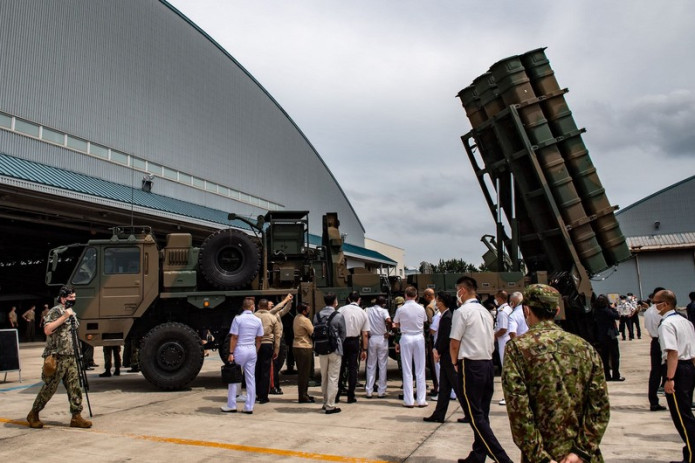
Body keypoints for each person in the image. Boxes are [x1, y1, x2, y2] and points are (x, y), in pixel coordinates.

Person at [502, 284, 610, 463]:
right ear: (557, 310)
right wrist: (580, 453)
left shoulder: (518, 349)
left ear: (526, 311)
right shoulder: (584, 347)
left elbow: (518, 411)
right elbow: (600, 408)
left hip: (541, 454)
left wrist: (541, 457)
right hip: (583, 458)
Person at [449, 276, 512, 463]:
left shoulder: (462, 312)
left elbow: (454, 342)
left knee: (474, 415)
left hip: (471, 365)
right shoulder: (485, 311)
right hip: (486, 365)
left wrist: (454, 363)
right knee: (482, 414)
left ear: (462, 290)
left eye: (457, 290)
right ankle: (477, 456)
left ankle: (502, 459)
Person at [26, 286, 92, 429]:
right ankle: (34, 413)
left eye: (74, 298)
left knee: (75, 387)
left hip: (70, 355)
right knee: (50, 388)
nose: (73, 300)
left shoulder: (71, 313)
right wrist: (64, 317)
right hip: (57, 357)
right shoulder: (55, 311)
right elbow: (47, 330)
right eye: (70, 298)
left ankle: (76, 416)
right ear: (62, 298)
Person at [655, 289, 695, 463]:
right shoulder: (685, 321)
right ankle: (689, 453)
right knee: (686, 414)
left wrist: (669, 379)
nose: (654, 306)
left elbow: (672, 352)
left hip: (676, 370)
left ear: (665, 304)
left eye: (656, 303)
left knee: (682, 417)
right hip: (689, 368)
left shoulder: (666, 325)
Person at [423, 292, 462, 423]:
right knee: (444, 389)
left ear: (443, 302)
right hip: (445, 357)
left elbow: (445, 337)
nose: (436, 303)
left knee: (457, 387)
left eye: (438, 301)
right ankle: (439, 414)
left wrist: (437, 350)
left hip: (447, 357)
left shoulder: (446, 317)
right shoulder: (446, 315)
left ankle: (470, 412)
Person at [222, 297, 264, 414]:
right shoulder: (257, 320)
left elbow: (234, 337)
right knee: (251, 379)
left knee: (234, 377)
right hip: (251, 348)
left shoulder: (238, 319)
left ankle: (231, 405)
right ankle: (249, 407)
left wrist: (231, 353)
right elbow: (259, 338)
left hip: (240, 348)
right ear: (252, 307)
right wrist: (256, 350)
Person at [393, 286, 428, 408]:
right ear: (416, 295)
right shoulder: (421, 308)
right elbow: (424, 320)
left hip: (406, 337)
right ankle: (421, 399)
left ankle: (409, 400)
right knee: (420, 369)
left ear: (405, 296)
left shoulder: (401, 309)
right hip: (419, 337)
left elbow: (396, 323)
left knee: (407, 369)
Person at [314, 292, 346, 414]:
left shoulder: (317, 316)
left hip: (322, 349)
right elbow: (343, 334)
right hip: (335, 349)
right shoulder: (338, 316)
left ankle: (325, 401)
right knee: (333, 377)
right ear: (335, 302)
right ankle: (330, 405)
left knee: (324, 377)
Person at [337, 291, 369, 403]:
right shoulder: (363, 312)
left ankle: (336, 394)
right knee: (353, 369)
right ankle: (351, 396)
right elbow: (365, 333)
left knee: (339, 368)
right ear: (359, 300)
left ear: (349, 299)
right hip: (354, 341)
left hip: (342, 341)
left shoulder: (341, 310)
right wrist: (364, 349)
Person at [254, 298, 283, 404]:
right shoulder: (272, 318)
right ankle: (263, 396)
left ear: (258, 306)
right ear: (267, 307)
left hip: (255, 345)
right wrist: (276, 349)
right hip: (267, 345)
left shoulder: (253, 317)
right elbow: (278, 335)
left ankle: (255, 394)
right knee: (265, 371)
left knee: (256, 369)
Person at [365, 295, 391, 398]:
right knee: (382, 365)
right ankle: (381, 391)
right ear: (383, 303)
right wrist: (388, 331)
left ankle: (369, 391)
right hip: (382, 338)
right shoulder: (384, 311)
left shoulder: (367, 310)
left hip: (372, 338)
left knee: (371, 365)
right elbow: (388, 320)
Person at [645, 287, 667, 412]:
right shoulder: (662, 311)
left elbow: (647, 329)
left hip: (654, 342)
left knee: (655, 373)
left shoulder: (648, 312)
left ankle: (653, 402)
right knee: (668, 372)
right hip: (664, 342)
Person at [594, 294, 624, 382]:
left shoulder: (596, 311)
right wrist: (611, 307)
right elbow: (617, 316)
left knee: (604, 357)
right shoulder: (607, 310)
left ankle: (607, 375)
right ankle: (616, 375)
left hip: (601, 335)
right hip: (610, 335)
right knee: (615, 356)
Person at [268, 293, 293, 395]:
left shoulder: (276, 314)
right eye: (271, 305)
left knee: (276, 365)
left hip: (278, 340)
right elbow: (277, 308)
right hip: (273, 341)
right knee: (272, 366)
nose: (273, 306)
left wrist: (289, 301)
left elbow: (285, 310)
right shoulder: (269, 313)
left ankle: (275, 385)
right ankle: (273, 386)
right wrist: (285, 300)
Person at [292, 302, 315, 403]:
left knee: (302, 372)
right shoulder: (305, 320)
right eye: (308, 310)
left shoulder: (297, 318)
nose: (309, 311)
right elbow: (312, 332)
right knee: (304, 373)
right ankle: (303, 395)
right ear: (304, 311)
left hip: (297, 346)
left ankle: (304, 394)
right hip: (304, 347)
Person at [493, 290, 511, 405]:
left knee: (505, 368)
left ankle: (507, 396)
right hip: (505, 340)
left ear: (499, 298)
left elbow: (503, 329)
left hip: (503, 341)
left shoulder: (503, 312)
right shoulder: (508, 309)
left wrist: (493, 336)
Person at [423, 288, 438, 396]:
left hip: (432, 338)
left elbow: (429, 323)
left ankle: (436, 386)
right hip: (440, 336)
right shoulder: (438, 304)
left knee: (433, 365)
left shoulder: (429, 307)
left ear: (428, 296)